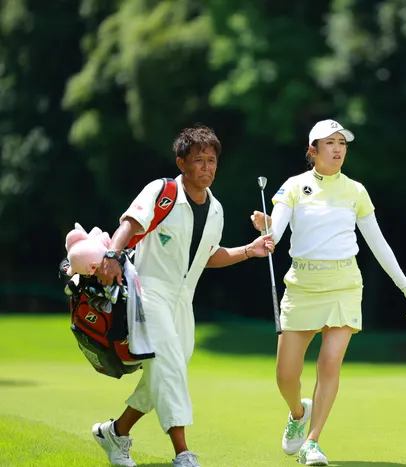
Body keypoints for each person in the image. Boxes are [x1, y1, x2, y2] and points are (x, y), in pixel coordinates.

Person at [93, 124, 274, 467]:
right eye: (199, 160)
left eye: (212, 160)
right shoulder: (163, 191)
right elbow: (130, 223)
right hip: (148, 292)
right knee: (170, 366)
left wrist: (249, 250)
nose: (207, 167)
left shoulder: (216, 209)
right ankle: (182, 452)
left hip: (183, 301)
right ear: (182, 163)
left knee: (162, 373)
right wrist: (113, 254)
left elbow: (209, 256)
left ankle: (115, 432)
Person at [250, 119, 406, 466]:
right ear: (312, 150)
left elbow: (378, 243)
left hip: (344, 285)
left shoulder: (356, 191)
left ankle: (312, 442)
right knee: (286, 376)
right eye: (330, 142)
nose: (338, 148)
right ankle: (298, 413)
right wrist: (267, 227)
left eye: (342, 142)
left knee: (330, 363)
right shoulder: (294, 187)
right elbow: (276, 233)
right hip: (302, 287)